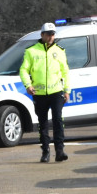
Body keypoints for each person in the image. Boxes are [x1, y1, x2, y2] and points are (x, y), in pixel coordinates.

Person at [19, 22, 69, 163]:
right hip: (39, 93)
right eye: (48, 34)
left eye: (53, 34)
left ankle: (60, 151)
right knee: (43, 123)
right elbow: (23, 70)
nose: (51, 37)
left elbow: (65, 72)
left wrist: (67, 90)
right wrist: (28, 85)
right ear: (42, 35)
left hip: (56, 92)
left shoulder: (59, 51)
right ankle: (45, 151)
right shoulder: (31, 51)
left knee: (58, 120)